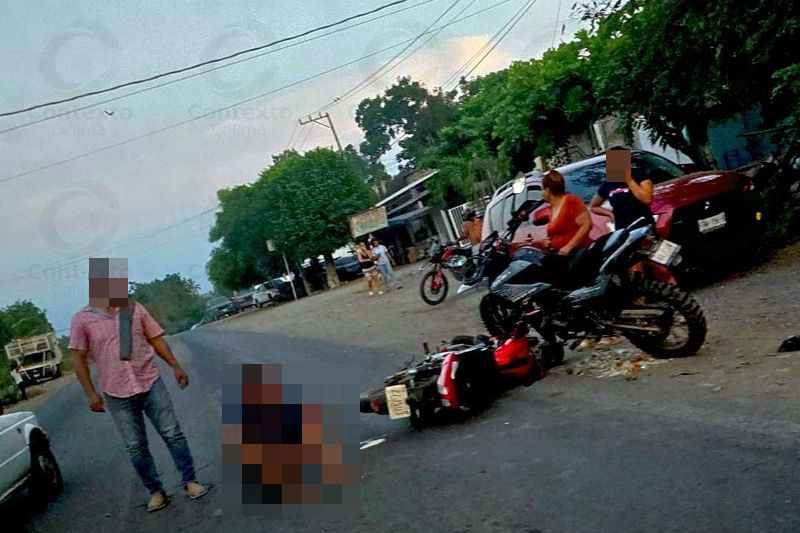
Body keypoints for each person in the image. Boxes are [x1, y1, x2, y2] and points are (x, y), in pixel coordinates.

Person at [69, 258, 206, 513]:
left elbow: (155, 339)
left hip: (150, 380)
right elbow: (77, 357)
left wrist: (175, 366)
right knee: (135, 446)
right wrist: (91, 393)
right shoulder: (82, 320)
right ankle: (155, 491)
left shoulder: (134, 309)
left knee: (172, 433)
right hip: (116, 392)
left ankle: (190, 481)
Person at [589, 148, 677, 285]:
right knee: (636, 274)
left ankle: (678, 297)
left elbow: (646, 199)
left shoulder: (640, 175)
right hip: (625, 233)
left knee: (661, 269)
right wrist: (608, 213)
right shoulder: (609, 183)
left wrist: (629, 180)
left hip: (645, 228)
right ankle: (641, 300)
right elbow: (593, 206)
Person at [530, 169, 592, 259]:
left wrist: (569, 247)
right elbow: (560, 232)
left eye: (542, 189)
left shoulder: (571, 201)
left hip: (578, 254)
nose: (541, 193)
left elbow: (586, 225)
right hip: (560, 255)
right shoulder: (552, 208)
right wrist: (549, 241)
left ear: (548, 190)